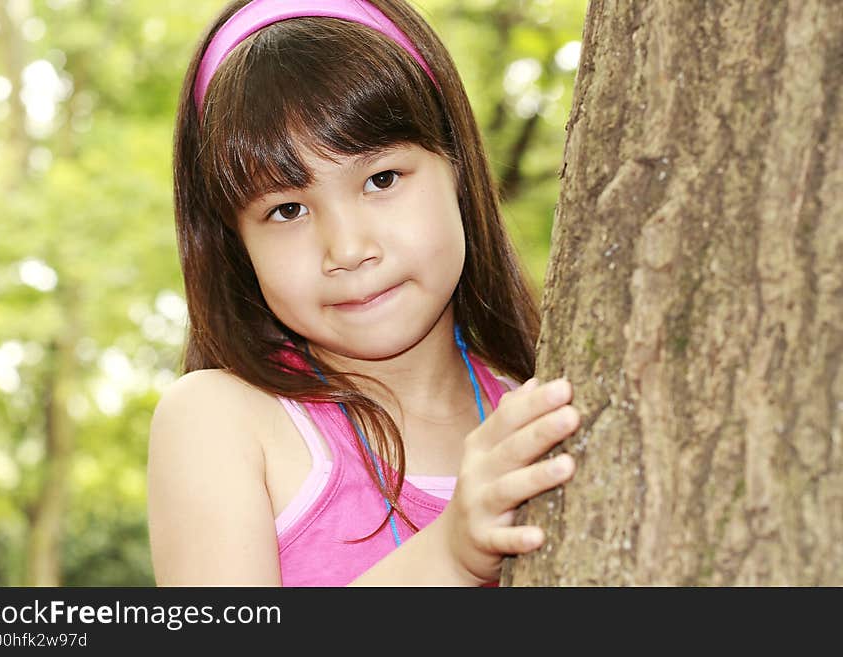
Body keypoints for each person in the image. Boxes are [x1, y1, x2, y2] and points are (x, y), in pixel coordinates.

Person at [147, 0, 580, 587]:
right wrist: (447, 558)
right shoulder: (225, 424)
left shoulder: (539, 407)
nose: (347, 248)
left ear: (456, 166)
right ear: (236, 246)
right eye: (287, 209)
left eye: (381, 179)